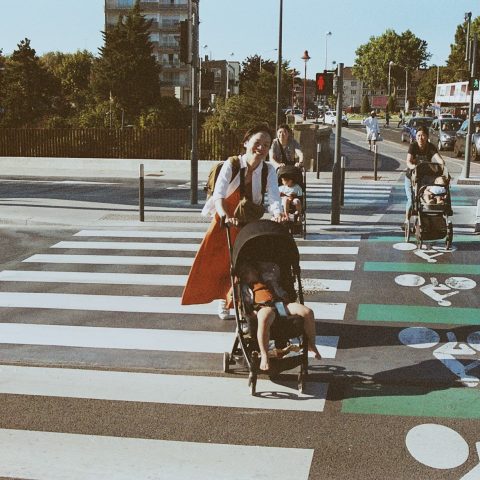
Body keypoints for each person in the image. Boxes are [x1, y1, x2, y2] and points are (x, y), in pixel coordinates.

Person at [181, 124, 286, 320]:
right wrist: (223, 215)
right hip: (226, 220)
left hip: (248, 222)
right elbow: (219, 195)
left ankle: (241, 306)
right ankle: (224, 299)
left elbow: (274, 198)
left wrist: (278, 213)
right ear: (246, 143)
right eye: (257, 143)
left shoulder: (268, 170)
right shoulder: (232, 164)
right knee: (222, 263)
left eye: (266, 145)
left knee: (245, 264)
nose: (261, 148)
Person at [237, 262, 321, 371]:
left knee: (308, 312)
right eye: (243, 274)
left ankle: (311, 344)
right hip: (263, 307)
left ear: (255, 271)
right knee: (264, 318)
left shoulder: (268, 279)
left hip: (280, 304)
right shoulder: (246, 287)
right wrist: (250, 311)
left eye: (247, 272)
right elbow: (244, 303)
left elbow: (276, 275)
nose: (245, 275)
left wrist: (285, 296)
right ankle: (264, 355)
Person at [404, 125, 445, 228]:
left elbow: (439, 159)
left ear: (427, 137)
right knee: (411, 200)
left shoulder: (430, 147)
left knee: (426, 192)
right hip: (411, 177)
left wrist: (443, 165)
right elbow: (408, 161)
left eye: (423, 136)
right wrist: (413, 167)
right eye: (418, 135)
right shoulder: (413, 146)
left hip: (425, 177)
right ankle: (406, 221)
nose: (420, 138)